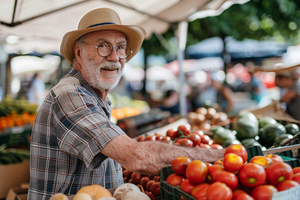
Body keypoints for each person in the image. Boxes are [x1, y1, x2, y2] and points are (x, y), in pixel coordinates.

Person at [28, 8, 225, 199]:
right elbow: (136, 157)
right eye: (103, 46)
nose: (114, 57)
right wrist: (221, 157)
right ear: (78, 52)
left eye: (120, 47)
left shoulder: (96, 97)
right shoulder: (69, 96)